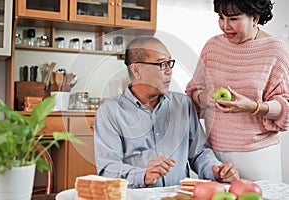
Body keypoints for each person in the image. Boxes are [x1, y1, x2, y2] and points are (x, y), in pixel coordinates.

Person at [94, 36, 239, 189]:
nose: (169, 71)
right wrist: (143, 175)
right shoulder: (109, 112)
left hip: (179, 197)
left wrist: (216, 170)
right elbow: (108, 169)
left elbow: (199, 153)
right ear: (137, 70)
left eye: (170, 63)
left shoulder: (183, 104)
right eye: (162, 64)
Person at [186, 0, 289, 183]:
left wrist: (252, 107)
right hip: (215, 154)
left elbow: (284, 105)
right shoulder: (212, 47)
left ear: (255, 18)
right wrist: (205, 98)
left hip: (258, 156)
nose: (225, 26)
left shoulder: (275, 50)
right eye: (221, 17)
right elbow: (193, 93)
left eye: (233, 19)